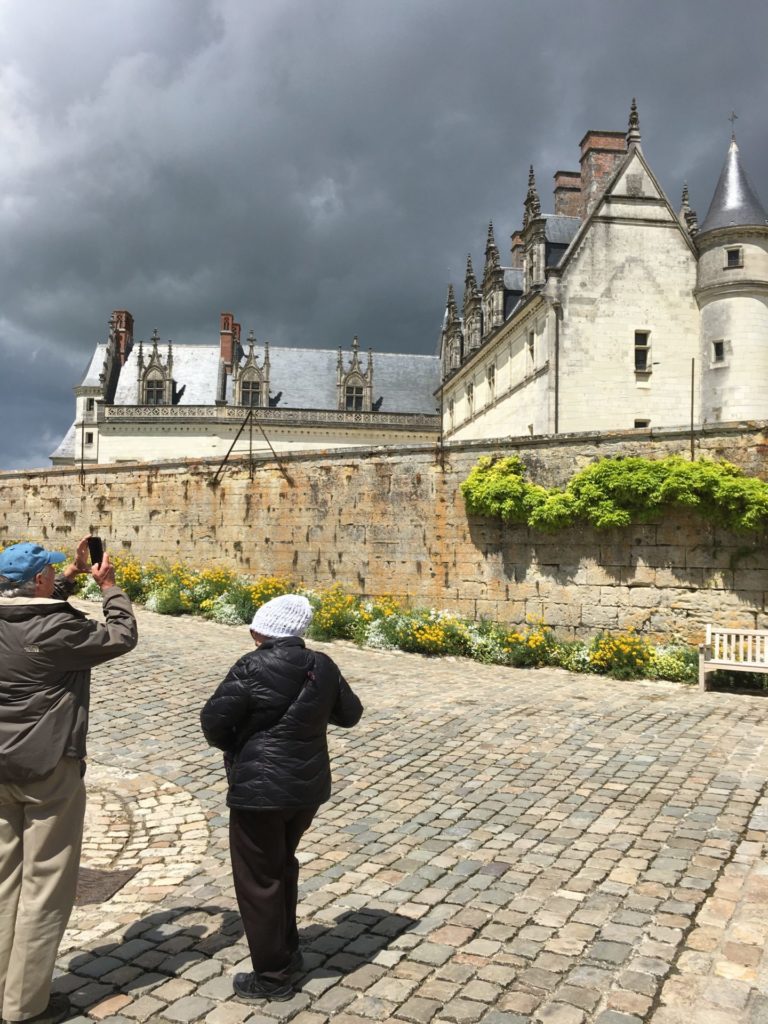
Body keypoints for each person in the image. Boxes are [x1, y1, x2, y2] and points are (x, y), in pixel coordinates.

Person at [0, 538, 138, 1024]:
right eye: (49, 575)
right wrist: (109, 586)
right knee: (46, 885)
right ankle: (23, 1005)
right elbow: (120, 635)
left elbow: (25, 606)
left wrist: (69, 577)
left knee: (1, 882)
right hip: (48, 766)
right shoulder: (59, 627)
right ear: (39, 580)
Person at [200, 593, 363, 1003]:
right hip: (305, 790)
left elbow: (214, 721)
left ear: (263, 630)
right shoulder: (321, 665)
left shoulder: (252, 665)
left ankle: (272, 976)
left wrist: (239, 745)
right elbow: (350, 714)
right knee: (282, 865)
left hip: (259, 791)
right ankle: (287, 953)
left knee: (259, 879)